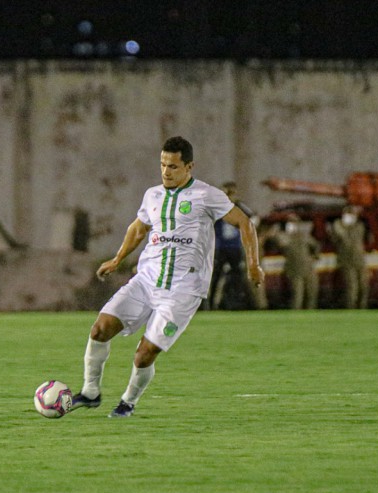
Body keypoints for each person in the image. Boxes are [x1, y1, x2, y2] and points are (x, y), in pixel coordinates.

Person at [71, 136, 264, 418]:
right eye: (162, 164)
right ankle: (90, 392)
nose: (165, 171)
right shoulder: (152, 195)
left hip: (184, 289)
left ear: (189, 167)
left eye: (173, 166)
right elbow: (138, 229)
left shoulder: (206, 195)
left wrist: (253, 265)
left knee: (145, 352)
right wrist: (117, 259)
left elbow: (244, 223)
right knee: (100, 329)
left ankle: (128, 402)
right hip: (147, 280)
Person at [209, 181, 255, 310]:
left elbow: (251, 215)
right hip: (221, 247)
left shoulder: (239, 206)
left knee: (237, 275)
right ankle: (211, 304)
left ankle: (235, 303)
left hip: (234, 247)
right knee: (216, 275)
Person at [330, 205, 369, 309]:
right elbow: (341, 234)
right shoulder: (338, 224)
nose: (350, 216)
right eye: (348, 214)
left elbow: (359, 234)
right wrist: (344, 224)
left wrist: (349, 226)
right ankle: (351, 309)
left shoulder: (359, 226)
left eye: (352, 214)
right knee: (352, 287)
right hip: (347, 261)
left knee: (364, 286)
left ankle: (362, 308)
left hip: (359, 260)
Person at [278, 214, 320, 309]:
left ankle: (311, 316)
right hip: (294, 270)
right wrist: (291, 234)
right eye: (290, 222)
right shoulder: (283, 235)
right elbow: (282, 243)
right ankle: (296, 317)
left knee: (312, 293)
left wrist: (315, 256)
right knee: (298, 295)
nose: (293, 224)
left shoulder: (304, 235)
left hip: (308, 268)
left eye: (295, 222)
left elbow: (316, 245)